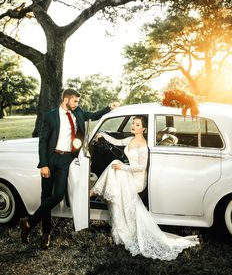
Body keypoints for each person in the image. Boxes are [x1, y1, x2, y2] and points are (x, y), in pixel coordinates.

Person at [20, 88, 119, 249]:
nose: (77, 104)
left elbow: (93, 115)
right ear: (66, 99)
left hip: (66, 160)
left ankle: (28, 222)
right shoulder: (51, 116)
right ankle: (46, 234)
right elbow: (43, 142)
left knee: (58, 195)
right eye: (75, 101)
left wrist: (109, 107)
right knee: (45, 197)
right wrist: (44, 164)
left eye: (77, 102)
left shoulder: (78, 112)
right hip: (51, 159)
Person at [90, 115, 199, 260]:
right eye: (133, 123)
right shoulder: (130, 139)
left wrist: (124, 167)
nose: (133, 126)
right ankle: (97, 193)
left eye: (137, 124)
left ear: (144, 128)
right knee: (115, 169)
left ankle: (94, 191)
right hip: (129, 173)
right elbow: (116, 141)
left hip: (138, 179)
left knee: (116, 166)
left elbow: (141, 167)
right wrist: (102, 134)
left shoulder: (143, 146)